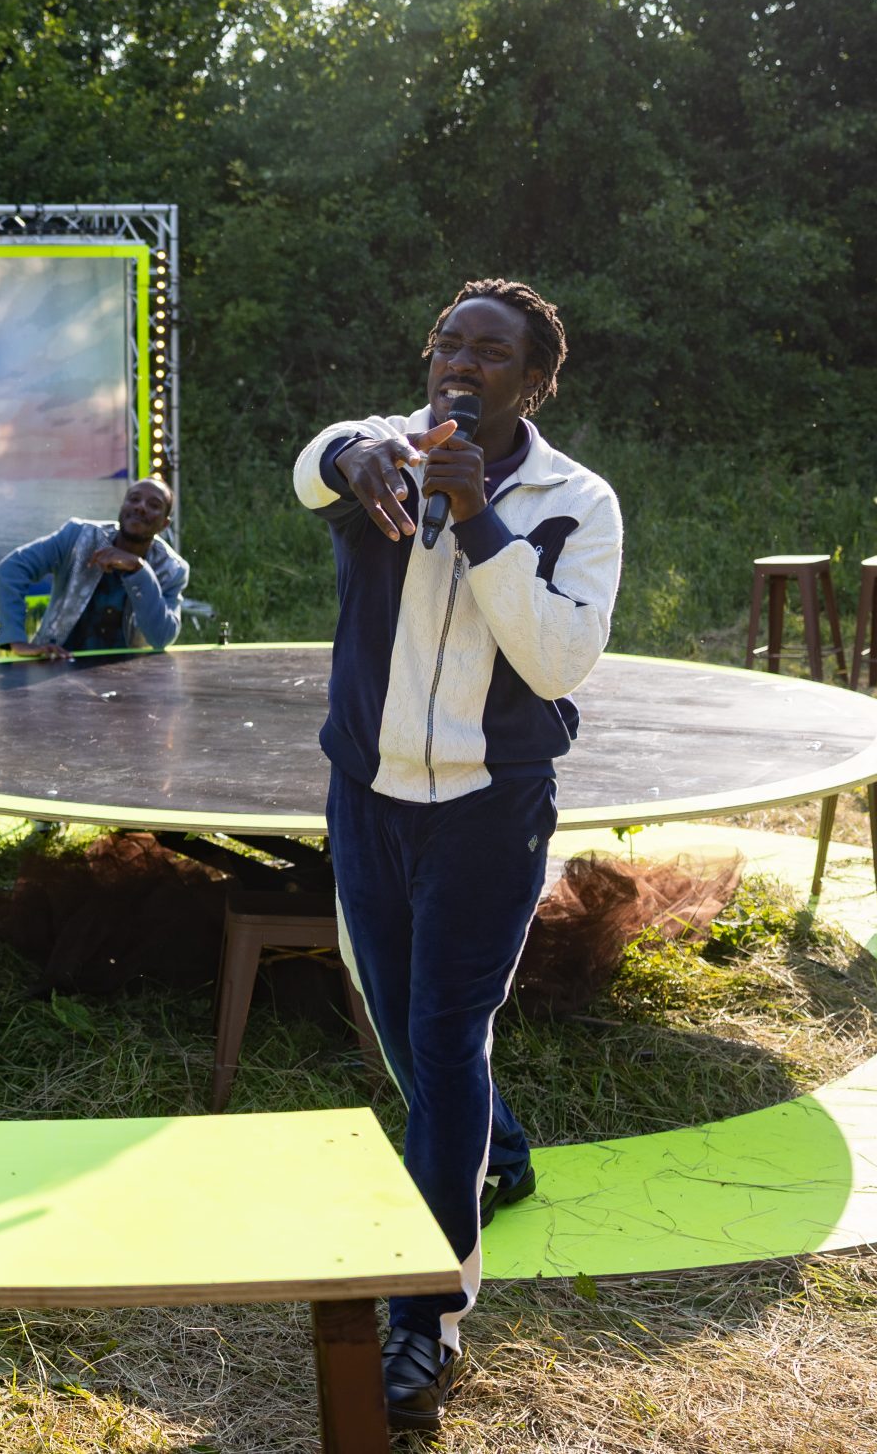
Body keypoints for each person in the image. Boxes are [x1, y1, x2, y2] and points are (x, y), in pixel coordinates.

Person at [290, 278, 621, 1432]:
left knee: (444, 1037)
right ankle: (497, 1150)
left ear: (533, 383)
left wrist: (480, 518)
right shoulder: (384, 451)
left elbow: (557, 661)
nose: (460, 367)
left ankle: (425, 1322)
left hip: (489, 810)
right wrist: (351, 458)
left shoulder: (576, 501)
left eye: (490, 354)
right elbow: (313, 460)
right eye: (447, 345)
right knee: (403, 1031)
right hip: (366, 796)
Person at [0, 476, 189, 660]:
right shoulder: (77, 536)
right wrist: (16, 640)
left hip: (129, 678)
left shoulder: (172, 568)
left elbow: (161, 638)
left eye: (154, 505)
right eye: (134, 499)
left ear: (164, 524)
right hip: (55, 664)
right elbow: (13, 568)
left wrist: (139, 569)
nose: (140, 507)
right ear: (122, 507)